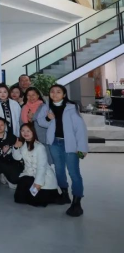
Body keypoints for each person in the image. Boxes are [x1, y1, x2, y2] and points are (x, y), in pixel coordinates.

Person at [35, 84, 88, 217]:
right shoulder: (46, 106)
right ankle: (64, 194)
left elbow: (80, 129)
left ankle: (77, 201)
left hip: (70, 145)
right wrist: (48, 118)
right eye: (52, 91)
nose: (55, 94)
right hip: (54, 143)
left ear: (64, 95)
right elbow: (41, 122)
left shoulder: (71, 107)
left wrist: (82, 148)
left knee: (74, 173)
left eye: (58, 92)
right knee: (59, 170)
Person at [12, 123, 60, 207]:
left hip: (43, 177)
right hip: (30, 174)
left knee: (36, 202)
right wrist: (16, 147)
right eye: (23, 131)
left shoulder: (39, 147)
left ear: (33, 132)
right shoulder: (23, 144)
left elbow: (42, 167)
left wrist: (38, 183)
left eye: (28, 131)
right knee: (19, 198)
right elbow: (17, 157)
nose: (25, 133)